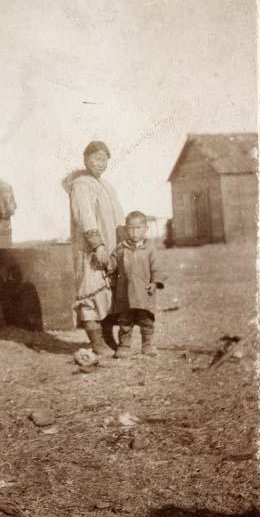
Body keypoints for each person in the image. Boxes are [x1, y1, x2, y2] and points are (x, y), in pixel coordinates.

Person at [63, 141, 125, 356]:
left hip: (110, 248)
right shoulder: (81, 184)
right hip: (91, 250)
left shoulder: (107, 186)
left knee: (108, 294)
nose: (100, 164)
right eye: (96, 159)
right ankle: (97, 342)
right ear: (85, 159)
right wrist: (97, 245)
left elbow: (118, 218)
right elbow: (86, 216)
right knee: (90, 292)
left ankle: (107, 338)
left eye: (104, 160)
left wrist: (121, 246)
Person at [110, 210, 165, 358]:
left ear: (146, 229)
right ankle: (124, 346)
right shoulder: (120, 249)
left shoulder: (149, 249)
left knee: (146, 321)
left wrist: (154, 282)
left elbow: (157, 268)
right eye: (130, 228)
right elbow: (112, 266)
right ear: (126, 229)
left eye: (138, 228)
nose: (134, 232)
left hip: (144, 293)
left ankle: (147, 345)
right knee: (125, 322)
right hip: (125, 293)